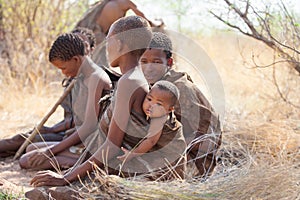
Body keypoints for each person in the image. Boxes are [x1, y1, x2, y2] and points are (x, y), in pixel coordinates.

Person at [30, 16, 184, 188]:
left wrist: (65, 178)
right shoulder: (132, 78)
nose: (106, 47)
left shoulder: (129, 81)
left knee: (44, 192)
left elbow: (112, 146)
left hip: (129, 169)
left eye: (108, 41)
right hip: (118, 163)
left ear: (118, 44)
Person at [19, 33, 112, 170]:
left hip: (94, 145)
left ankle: (84, 165)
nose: (63, 73)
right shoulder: (84, 76)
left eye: (63, 68)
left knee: (26, 160)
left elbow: (89, 127)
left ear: (75, 59)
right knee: (32, 148)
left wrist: (50, 152)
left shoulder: (96, 78)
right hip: (83, 141)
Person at [0, 27, 97, 159]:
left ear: (91, 49)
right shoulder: (72, 77)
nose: (79, 48)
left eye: (83, 45)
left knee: (30, 145)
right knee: (23, 138)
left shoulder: (93, 78)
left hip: (76, 137)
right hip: (65, 132)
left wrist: (52, 130)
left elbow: (85, 121)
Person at [140, 32, 222, 178]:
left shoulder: (179, 88)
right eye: (144, 62)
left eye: (156, 62)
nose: (149, 68)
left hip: (196, 155)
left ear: (169, 63)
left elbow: (205, 134)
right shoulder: (154, 84)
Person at [116, 80, 186, 180]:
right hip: (169, 150)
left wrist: (132, 154)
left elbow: (151, 141)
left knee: (171, 177)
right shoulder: (157, 113)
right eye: (149, 99)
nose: (151, 105)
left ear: (170, 109)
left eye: (159, 104)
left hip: (173, 154)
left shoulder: (159, 118)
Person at [75, 0, 160, 67]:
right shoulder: (125, 2)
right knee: (102, 64)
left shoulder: (107, 4)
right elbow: (142, 17)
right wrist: (156, 24)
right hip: (99, 36)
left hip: (94, 35)